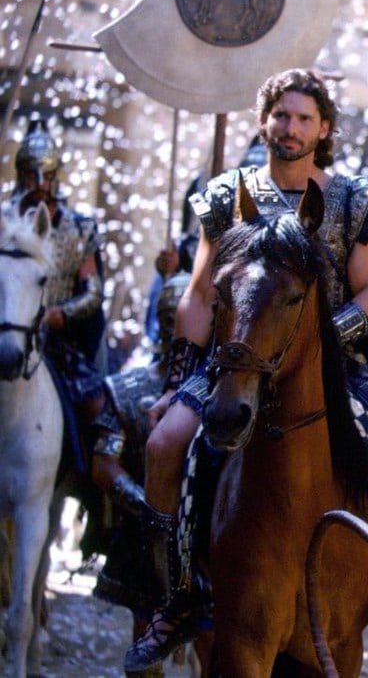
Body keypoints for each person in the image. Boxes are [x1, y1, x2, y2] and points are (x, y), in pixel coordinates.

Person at [124, 68, 368, 672]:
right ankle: (173, 596)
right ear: (264, 122)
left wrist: (315, 342)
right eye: (282, 116)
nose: (291, 128)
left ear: (323, 129)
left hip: (335, 367)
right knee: (165, 444)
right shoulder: (227, 197)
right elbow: (201, 296)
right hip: (236, 361)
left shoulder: (352, 201)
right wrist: (174, 382)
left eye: (304, 118)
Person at [4, 120, 107, 521]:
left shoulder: (79, 228)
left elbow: (92, 290)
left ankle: (96, 497)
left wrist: (61, 313)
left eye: (45, 175)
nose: (38, 184)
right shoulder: (3, 221)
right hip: (7, 331)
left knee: (98, 407)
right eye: (31, 175)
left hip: (57, 340)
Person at [90, 272, 189, 667]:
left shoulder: (221, 394)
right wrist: (148, 508)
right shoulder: (126, 391)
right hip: (145, 533)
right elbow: (104, 464)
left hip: (207, 532)